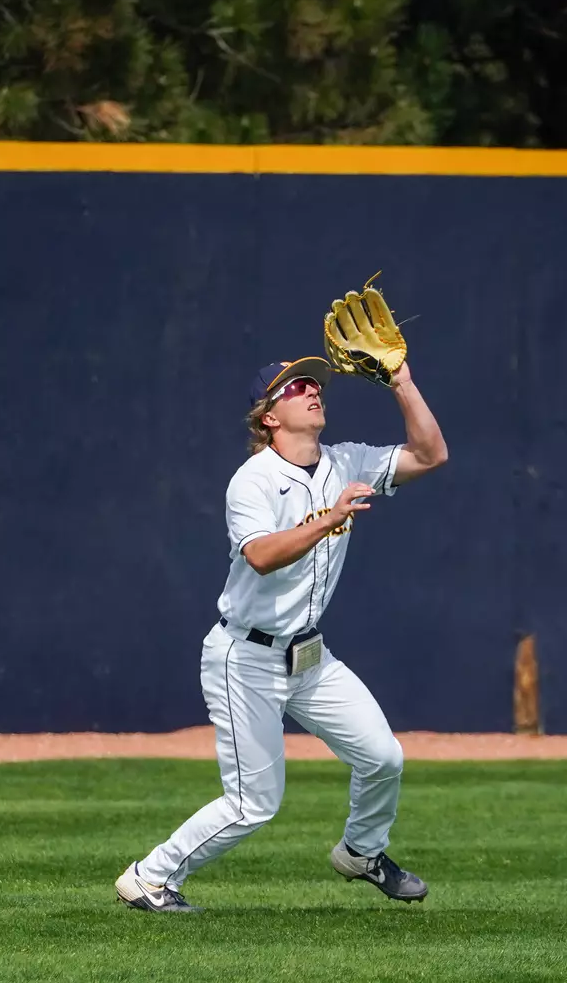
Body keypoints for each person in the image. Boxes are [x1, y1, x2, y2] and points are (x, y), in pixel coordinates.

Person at [116, 355, 449, 912]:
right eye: (295, 386)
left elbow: (430, 454)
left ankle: (362, 852)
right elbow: (262, 555)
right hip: (244, 657)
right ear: (268, 416)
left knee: (383, 758)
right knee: (253, 804)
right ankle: (149, 877)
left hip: (309, 656)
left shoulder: (346, 463)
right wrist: (329, 517)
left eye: (315, 382)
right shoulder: (253, 480)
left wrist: (403, 382)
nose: (313, 390)